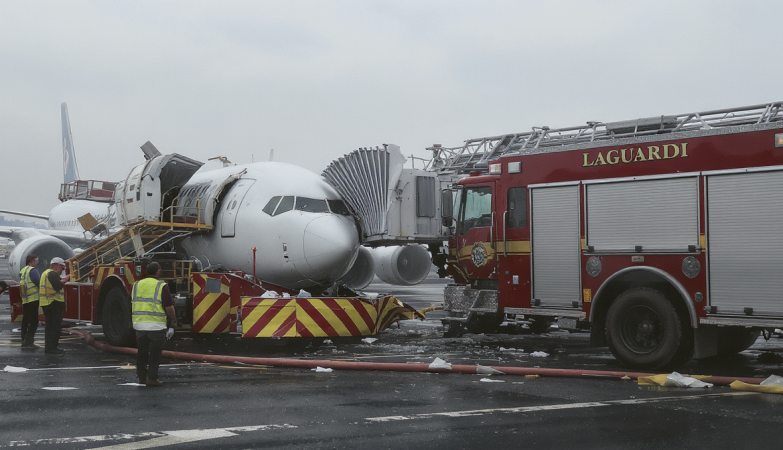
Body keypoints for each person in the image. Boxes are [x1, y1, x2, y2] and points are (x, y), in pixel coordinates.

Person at [131, 262, 177, 387]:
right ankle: (152, 378)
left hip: (139, 325)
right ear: (157, 271)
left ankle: (141, 377)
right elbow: (169, 306)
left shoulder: (136, 285)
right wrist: (173, 319)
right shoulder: (161, 286)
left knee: (142, 352)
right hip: (156, 326)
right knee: (155, 354)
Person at [39, 257, 72, 354]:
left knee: (50, 326)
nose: (62, 271)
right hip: (53, 303)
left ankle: (49, 347)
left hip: (47, 303)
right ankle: (52, 348)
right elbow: (57, 286)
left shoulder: (45, 273)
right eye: (62, 268)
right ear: (58, 266)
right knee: (55, 327)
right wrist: (65, 280)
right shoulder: (52, 274)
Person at [19, 254, 41, 349]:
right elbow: (38, 282)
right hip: (33, 299)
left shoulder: (22, 271)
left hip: (25, 299)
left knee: (25, 320)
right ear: (32, 261)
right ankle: (29, 342)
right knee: (34, 322)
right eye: (36, 261)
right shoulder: (33, 271)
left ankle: (24, 340)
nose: (37, 263)